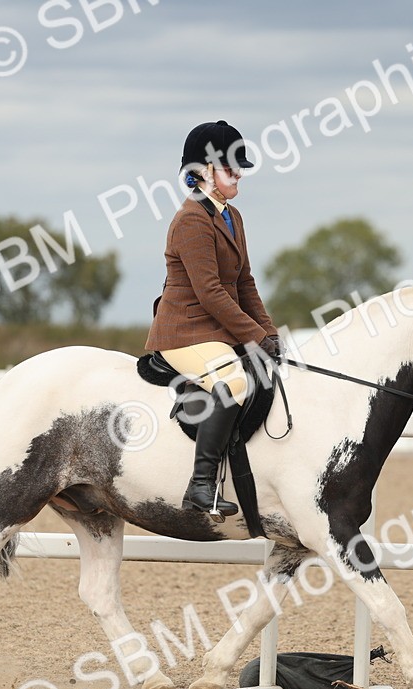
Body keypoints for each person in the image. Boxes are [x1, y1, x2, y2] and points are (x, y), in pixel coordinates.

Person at [144, 120, 281, 517]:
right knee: (233, 381)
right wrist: (254, 336)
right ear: (203, 171)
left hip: (214, 331)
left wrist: (269, 332)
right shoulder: (191, 220)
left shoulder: (232, 216)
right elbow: (210, 292)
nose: (239, 173)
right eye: (230, 167)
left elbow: (245, 283)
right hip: (184, 332)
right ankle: (201, 485)